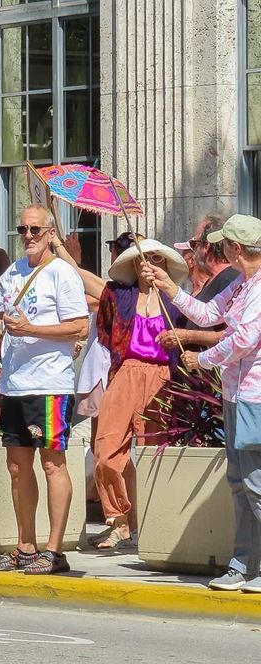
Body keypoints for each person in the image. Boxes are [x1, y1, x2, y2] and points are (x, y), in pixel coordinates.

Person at [143, 213, 261, 593]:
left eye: (222, 243)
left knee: (256, 485)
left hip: (254, 399)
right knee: (240, 484)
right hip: (236, 396)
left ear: (236, 248)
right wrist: (167, 286)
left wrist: (202, 360)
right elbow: (209, 314)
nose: (216, 248)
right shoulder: (243, 284)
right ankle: (243, 565)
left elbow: (242, 339)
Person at [0, 204, 88, 575]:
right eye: (22, 229)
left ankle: (54, 550)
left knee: (52, 462)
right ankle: (26, 544)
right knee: (17, 467)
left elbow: (79, 327)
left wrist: (32, 330)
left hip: (49, 382)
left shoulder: (61, 274)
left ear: (51, 234)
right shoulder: (11, 274)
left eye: (35, 230)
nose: (27, 236)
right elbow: (6, 323)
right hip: (15, 382)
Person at [90, 239, 187, 549]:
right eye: (143, 259)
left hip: (161, 377)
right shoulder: (119, 295)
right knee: (106, 449)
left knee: (151, 452)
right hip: (126, 371)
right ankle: (118, 518)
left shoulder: (176, 302)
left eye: (156, 259)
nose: (149, 264)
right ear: (133, 264)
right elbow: (104, 329)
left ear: (165, 264)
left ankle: (148, 525)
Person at [161, 215, 239, 352]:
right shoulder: (214, 281)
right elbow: (206, 314)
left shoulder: (230, 279)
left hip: (221, 370)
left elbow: (235, 336)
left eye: (194, 244)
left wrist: (187, 336)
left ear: (206, 247)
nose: (193, 251)